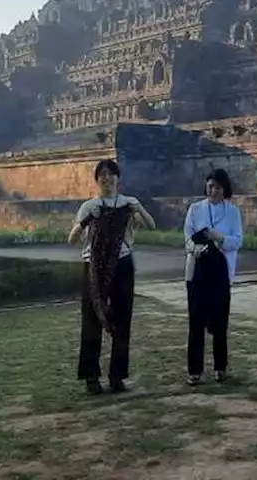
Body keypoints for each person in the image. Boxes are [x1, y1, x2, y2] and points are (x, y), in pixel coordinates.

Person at [68, 159, 155, 395]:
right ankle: (91, 377)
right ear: (97, 180)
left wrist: (139, 208)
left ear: (118, 178)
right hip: (93, 267)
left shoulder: (127, 204)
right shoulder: (89, 206)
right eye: (102, 175)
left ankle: (117, 376)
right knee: (91, 321)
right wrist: (86, 220)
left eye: (111, 174)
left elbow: (151, 225)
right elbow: (72, 239)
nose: (106, 178)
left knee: (122, 321)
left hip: (122, 264)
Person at [182, 168, 244, 385]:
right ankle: (195, 370)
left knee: (220, 321)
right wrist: (194, 248)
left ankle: (220, 367)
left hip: (221, 268)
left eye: (217, 187)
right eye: (210, 186)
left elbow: (237, 240)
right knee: (196, 321)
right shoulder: (195, 209)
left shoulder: (233, 212)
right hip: (198, 269)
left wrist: (220, 238)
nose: (213, 190)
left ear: (224, 189)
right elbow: (188, 237)